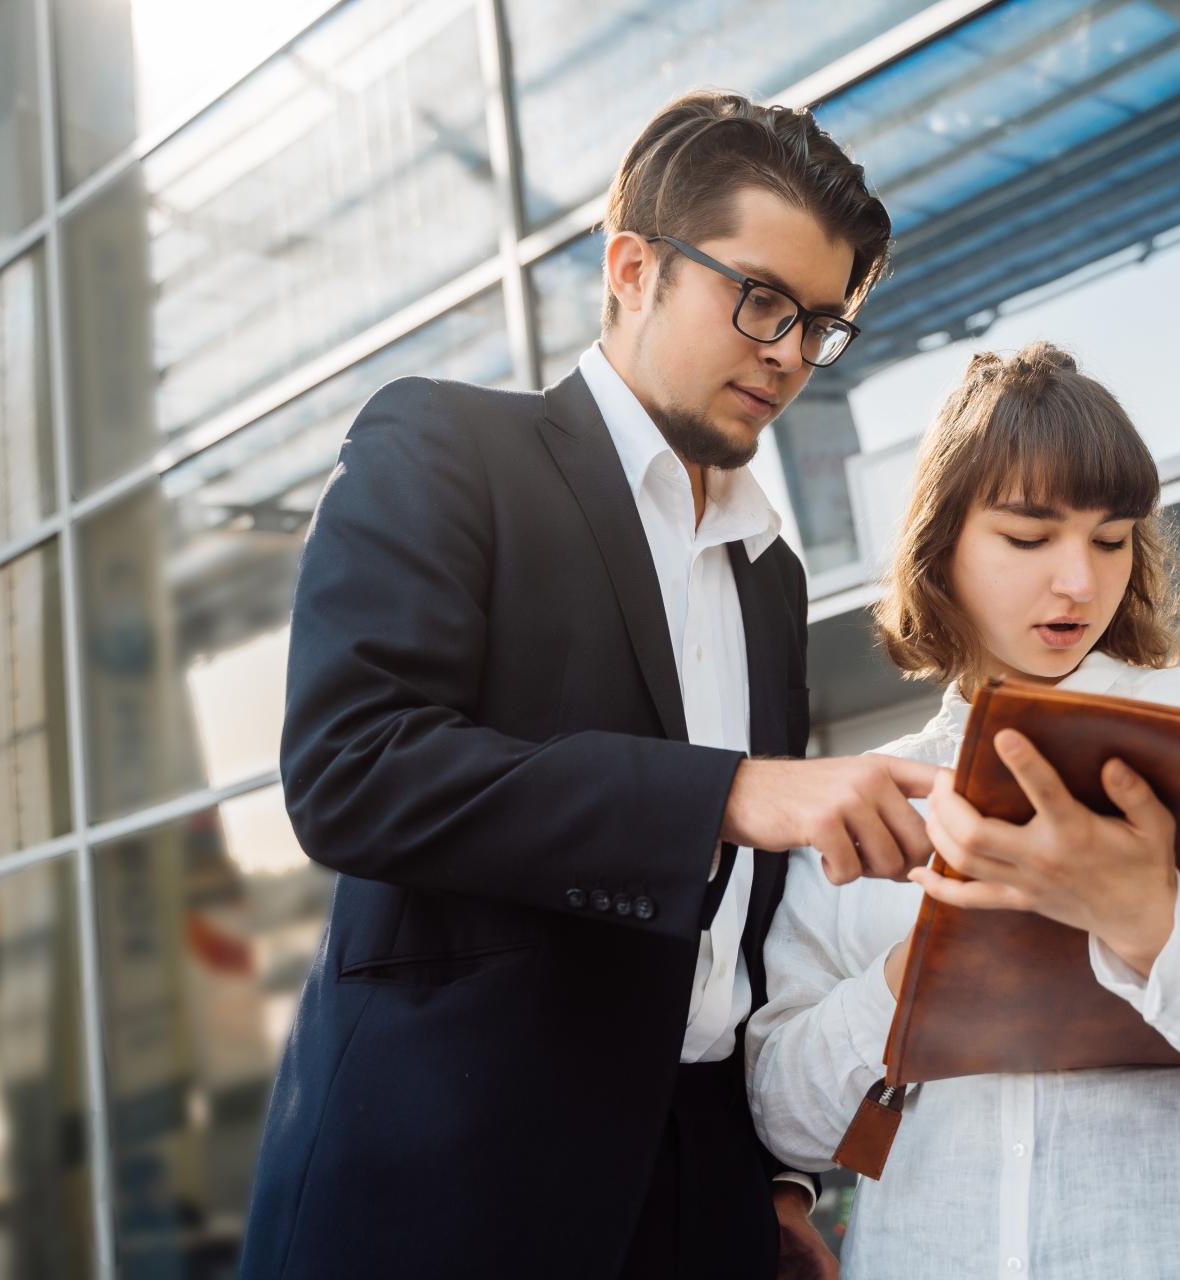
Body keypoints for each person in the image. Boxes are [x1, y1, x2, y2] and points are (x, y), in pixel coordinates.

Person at [239, 92, 937, 1280]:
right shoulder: (443, 448)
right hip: (452, 1197)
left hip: (702, 1199)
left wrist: (771, 1180)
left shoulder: (768, 572)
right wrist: (724, 793)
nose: (787, 352)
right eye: (761, 299)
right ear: (632, 268)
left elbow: (735, 936)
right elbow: (353, 769)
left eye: (819, 323)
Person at [745, 340, 1180, 1279]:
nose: (1079, 582)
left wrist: (1155, 925)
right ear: (940, 543)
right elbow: (785, 1116)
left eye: (1111, 538)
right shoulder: (871, 797)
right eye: (1030, 539)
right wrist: (919, 975)